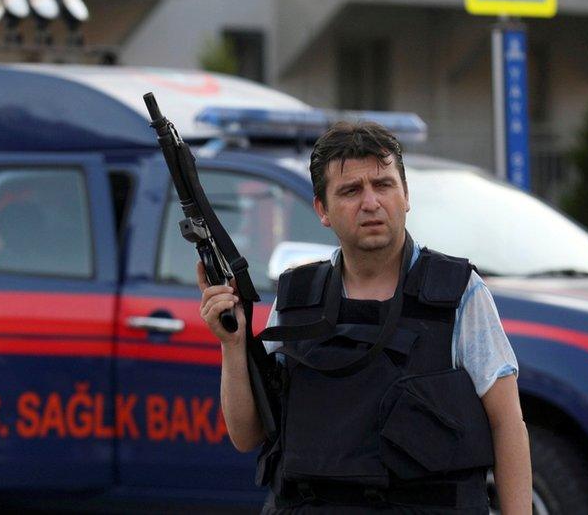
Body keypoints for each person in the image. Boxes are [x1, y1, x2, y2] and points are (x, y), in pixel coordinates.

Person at [198, 122, 532, 513]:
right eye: (351, 191)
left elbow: (508, 424)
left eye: (383, 184)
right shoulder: (297, 298)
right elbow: (246, 435)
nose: (371, 202)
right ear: (322, 210)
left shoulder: (459, 293)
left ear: (405, 195)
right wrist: (233, 345)